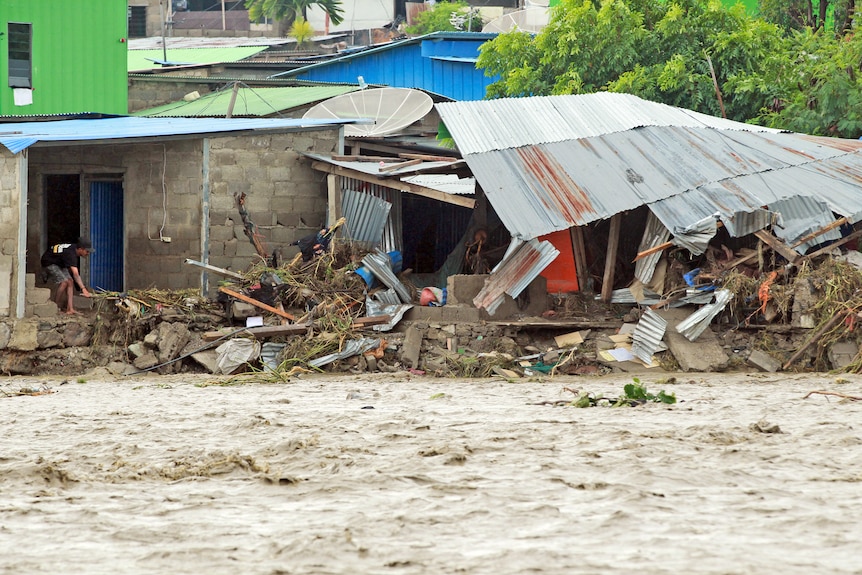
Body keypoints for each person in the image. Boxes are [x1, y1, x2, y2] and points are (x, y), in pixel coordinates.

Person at [40, 237, 94, 315]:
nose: (88, 254)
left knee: (70, 281)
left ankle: (70, 309)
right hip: (49, 262)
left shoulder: (73, 249)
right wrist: (83, 289)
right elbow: (76, 274)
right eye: (87, 251)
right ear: (80, 249)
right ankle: (55, 307)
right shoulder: (71, 254)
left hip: (60, 263)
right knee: (64, 282)